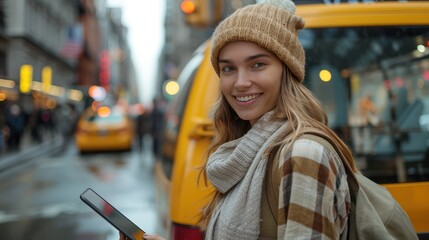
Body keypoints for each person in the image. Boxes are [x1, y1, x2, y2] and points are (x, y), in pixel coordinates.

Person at [121, 0, 357, 239]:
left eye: (257, 64)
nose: (240, 82)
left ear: (287, 70)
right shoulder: (242, 150)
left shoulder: (304, 155)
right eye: (228, 69)